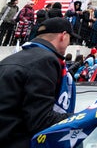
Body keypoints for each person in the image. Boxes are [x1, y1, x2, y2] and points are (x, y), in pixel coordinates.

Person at [0, 17, 80, 147]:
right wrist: (82, 118)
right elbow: (41, 119)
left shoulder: (10, 59)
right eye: (70, 40)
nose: (68, 45)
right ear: (63, 36)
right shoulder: (46, 60)